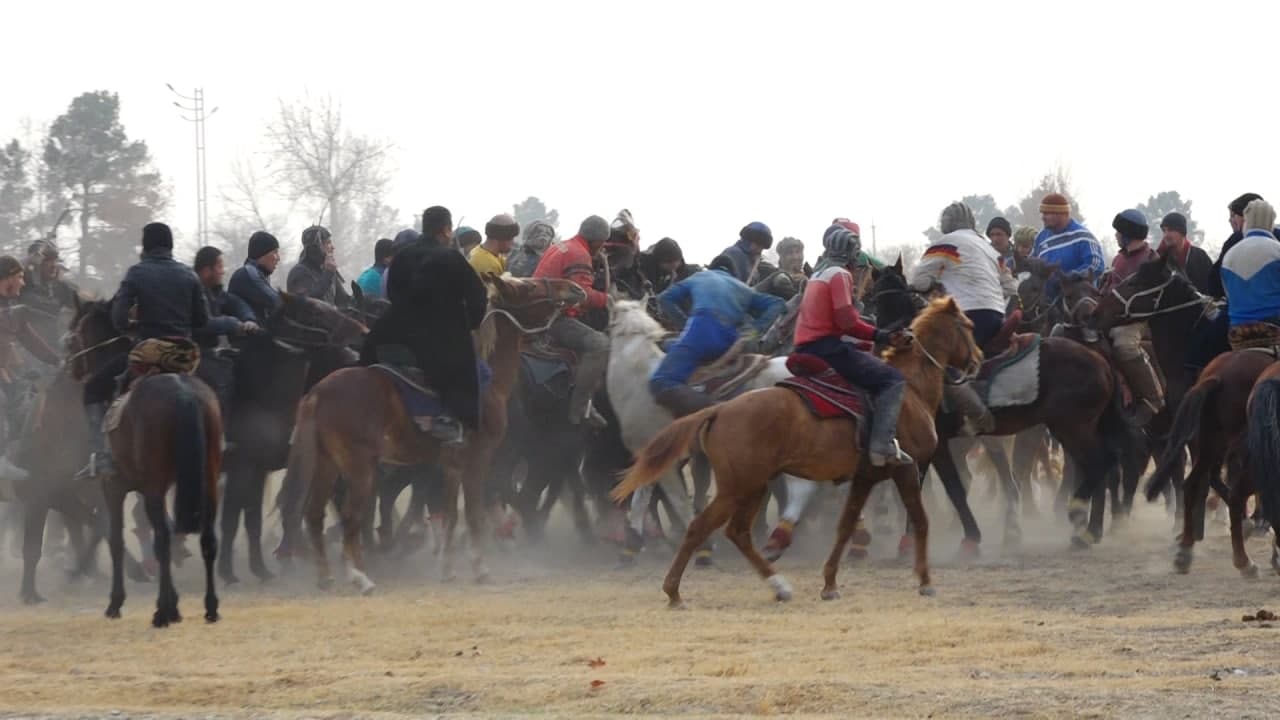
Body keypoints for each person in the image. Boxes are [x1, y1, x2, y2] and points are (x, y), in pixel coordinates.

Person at [78, 223, 210, 480]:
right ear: (170, 246)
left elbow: (117, 319)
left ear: (146, 246)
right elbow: (202, 320)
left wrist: (134, 322)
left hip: (149, 352)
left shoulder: (137, 274)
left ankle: (101, 456)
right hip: (185, 355)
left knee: (93, 388)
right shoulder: (188, 275)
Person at [365, 209, 488, 443]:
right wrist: (468, 324)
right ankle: (451, 421)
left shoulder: (402, 256)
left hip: (394, 330)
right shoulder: (451, 257)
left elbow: (392, 293)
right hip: (436, 336)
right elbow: (478, 297)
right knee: (471, 370)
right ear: (445, 230)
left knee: (364, 354)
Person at [795, 225, 913, 466]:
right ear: (851, 253)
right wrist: (881, 335)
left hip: (803, 347)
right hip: (827, 348)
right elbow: (847, 321)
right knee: (893, 380)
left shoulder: (817, 275)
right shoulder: (840, 275)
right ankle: (882, 447)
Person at [910, 202, 1005, 435]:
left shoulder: (945, 243)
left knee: (932, 360)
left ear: (948, 222)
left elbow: (919, 281)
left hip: (966, 314)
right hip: (997, 313)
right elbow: (1010, 285)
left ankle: (977, 416)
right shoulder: (989, 248)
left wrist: (934, 284)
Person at [648, 267, 785, 416]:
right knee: (674, 345)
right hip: (731, 341)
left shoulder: (700, 276)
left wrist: (684, 324)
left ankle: (713, 412)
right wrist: (751, 334)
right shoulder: (742, 287)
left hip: (702, 329)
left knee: (661, 381)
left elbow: (665, 298)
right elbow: (778, 303)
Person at [532, 215, 611, 427]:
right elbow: (580, 293)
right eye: (603, 242)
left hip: (537, 311)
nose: (602, 247)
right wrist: (608, 299)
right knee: (601, 344)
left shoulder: (562, 245)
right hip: (553, 318)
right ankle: (580, 407)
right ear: (597, 241)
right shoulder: (580, 255)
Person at [0, 256, 61, 481]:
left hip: (8, 374)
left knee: (30, 403)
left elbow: (30, 339)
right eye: (19, 277)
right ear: (6, 278)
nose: (23, 283)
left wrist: (57, 361)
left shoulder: (13, 310)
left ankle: (16, 456)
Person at [1101, 209, 1164, 425]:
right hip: (1113, 316)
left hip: (1140, 321)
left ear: (1127, 233)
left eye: (1118, 231)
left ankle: (1153, 398)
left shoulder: (1152, 259)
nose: (1116, 235)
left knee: (1124, 344)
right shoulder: (1118, 258)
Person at [192, 246, 260, 416]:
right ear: (207, 270)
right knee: (223, 379)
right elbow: (202, 323)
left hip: (209, 351)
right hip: (194, 351)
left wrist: (249, 319)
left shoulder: (215, 292)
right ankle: (220, 431)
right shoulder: (194, 290)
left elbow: (236, 303)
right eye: (220, 266)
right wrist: (232, 323)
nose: (223, 271)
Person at [1221, 199, 1280, 349]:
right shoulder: (1277, 250)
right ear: (1271, 222)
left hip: (1238, 332)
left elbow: (1228, 295)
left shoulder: (1229, 255)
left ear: (1246, 221)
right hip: (1274, 326)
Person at [1033, 192, 1105, 301]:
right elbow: (1033, 265)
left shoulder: (1083, 236)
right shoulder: (1041, 238)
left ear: (1061, 214)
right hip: (1049, 305)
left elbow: (1096, 265)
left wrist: (1072, 277)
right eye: (1042, 213)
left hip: (1078, 303)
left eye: (1047, 213)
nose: (1043, 218)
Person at [287, 225, 350, 307]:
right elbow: (309, 302)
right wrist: (328, 274)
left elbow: (344, 301)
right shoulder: (299, 272)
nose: (333, 247)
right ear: (316, 248)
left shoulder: (327, 270)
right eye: (328, 243)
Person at [228, 231, 283, 323]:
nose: (278, 258)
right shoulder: (248, 274)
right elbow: (277, 301)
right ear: (262, 253)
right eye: (275, 252)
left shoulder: (257, 274)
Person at [1156, 212, 1213, 295]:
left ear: (1182, 232)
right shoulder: (1159, 259)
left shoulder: (1200, 257)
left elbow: (1211, 288)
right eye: (1164, 230)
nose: (1166, 235)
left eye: (1171, 230)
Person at [986, 217, 1019, 299]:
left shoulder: (1018, 257)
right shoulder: (984, 256)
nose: (995, 239)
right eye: (992, 235)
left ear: (1008, 235)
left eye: (999, 234)